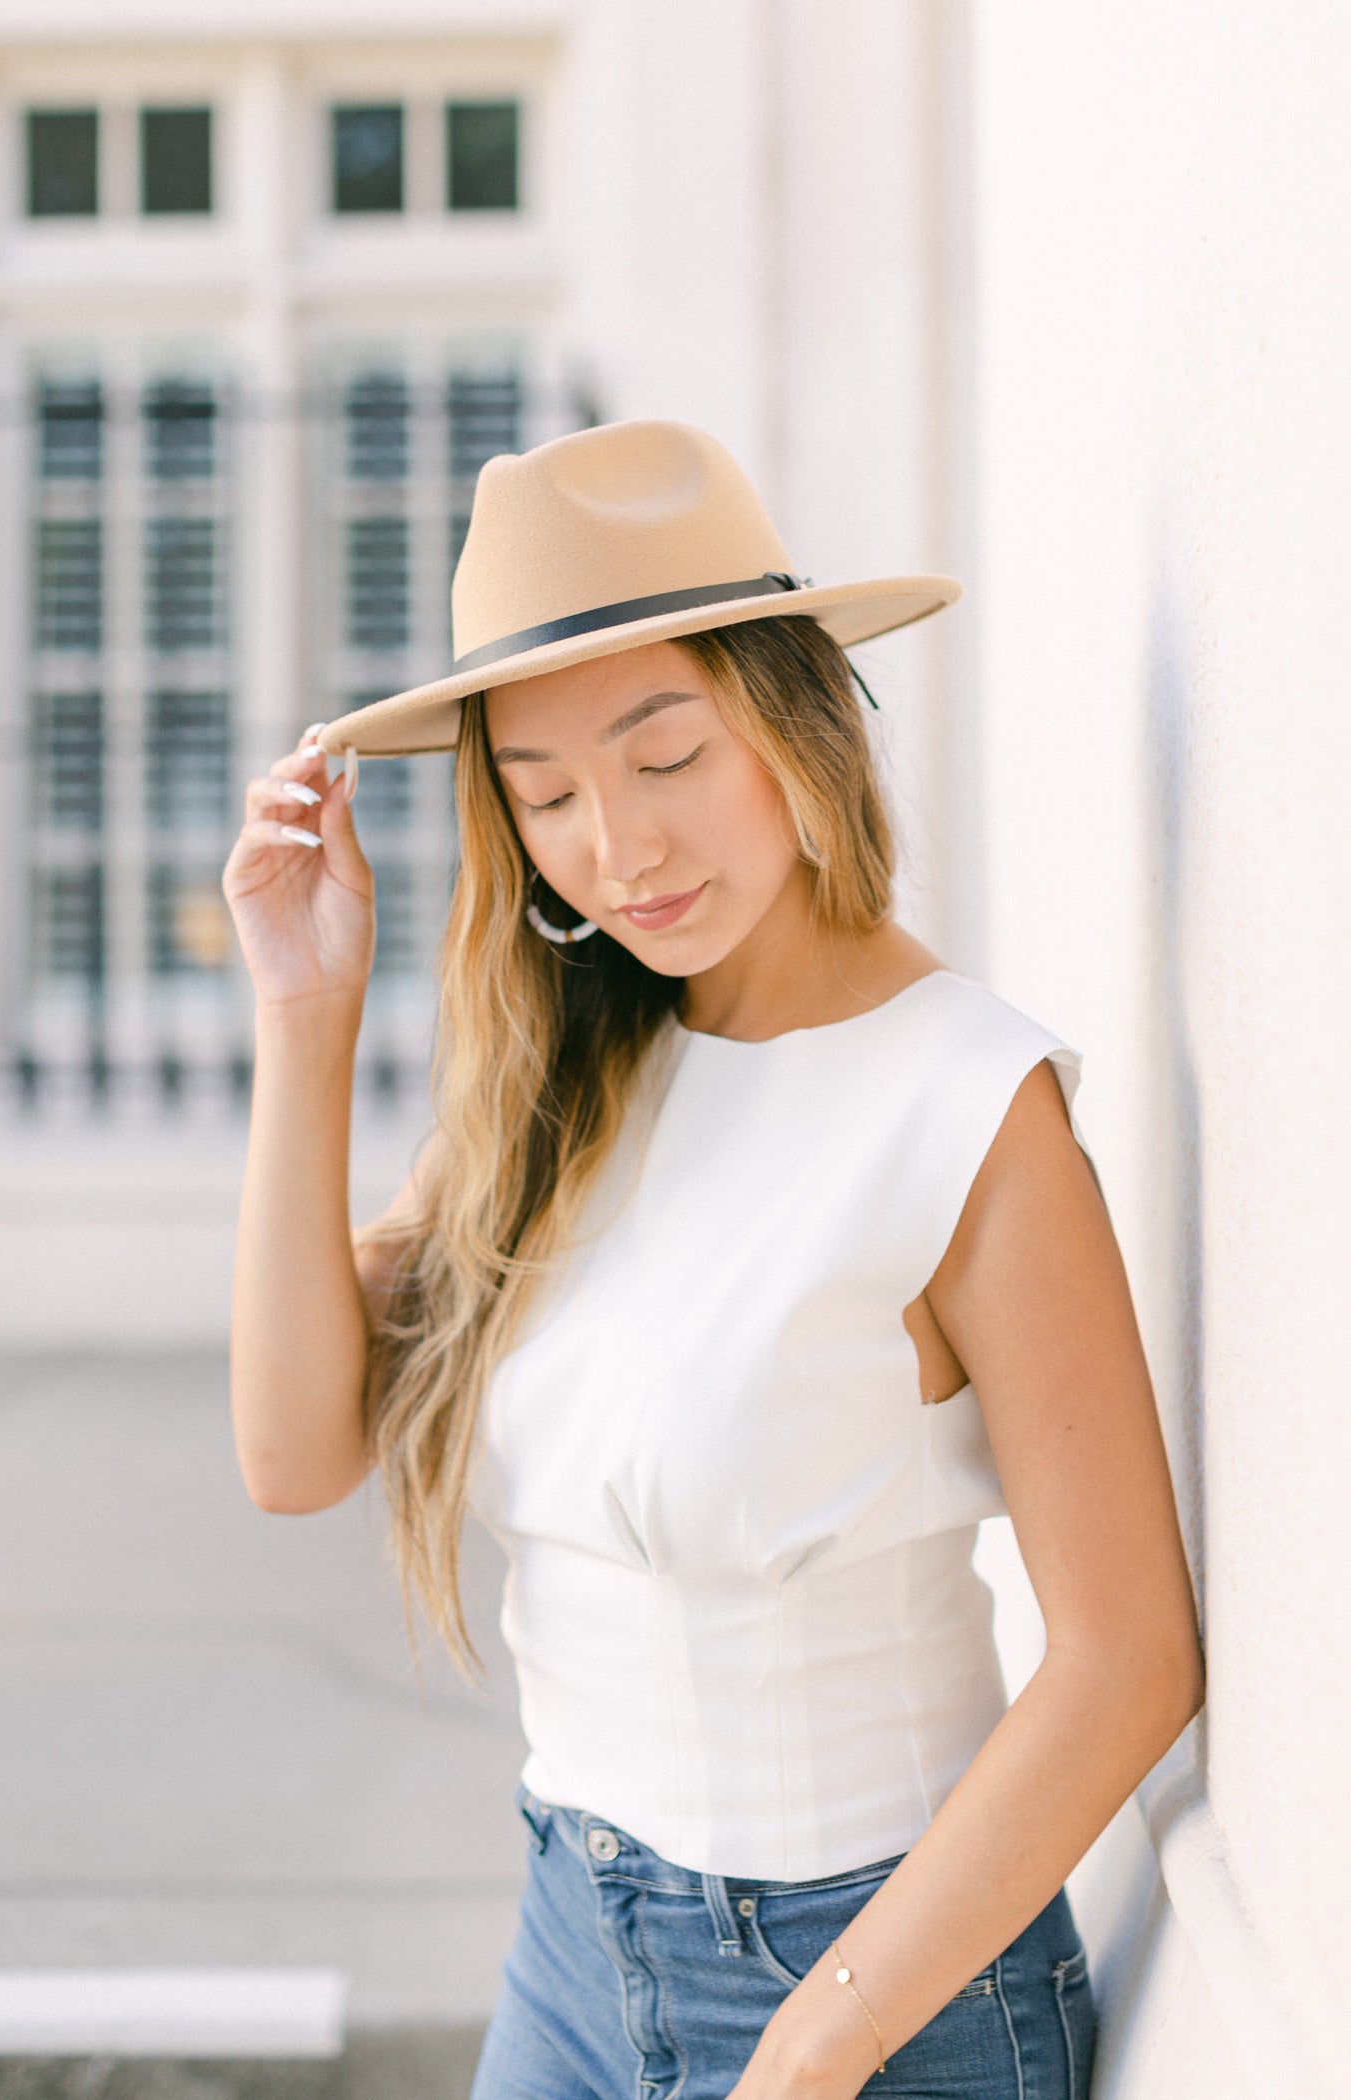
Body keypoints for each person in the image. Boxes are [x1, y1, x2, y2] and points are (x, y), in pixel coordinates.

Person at [222, 419, 1204, 2100]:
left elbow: (1129, 1661)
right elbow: (294, 1453)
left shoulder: (971, 1110)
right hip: (571, 1953)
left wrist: (823, 2040)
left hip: (886, 2000)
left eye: (666, 756)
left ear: (793, 718)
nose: (622, 850)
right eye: (545, 798)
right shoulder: (565, 1087)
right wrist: (304, 1019)